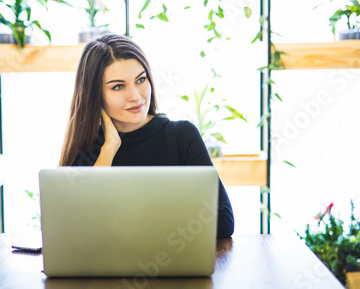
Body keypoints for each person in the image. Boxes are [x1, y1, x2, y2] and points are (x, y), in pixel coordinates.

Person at [59, 34, 234, 238]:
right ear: (94, 94)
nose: (136, 96)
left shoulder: (181, 136)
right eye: (118, 86)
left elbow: (223, 222)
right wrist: (109, 149)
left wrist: (126, 221)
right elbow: (72, 229)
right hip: (107, 268)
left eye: (141, 80)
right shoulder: (89, 149)